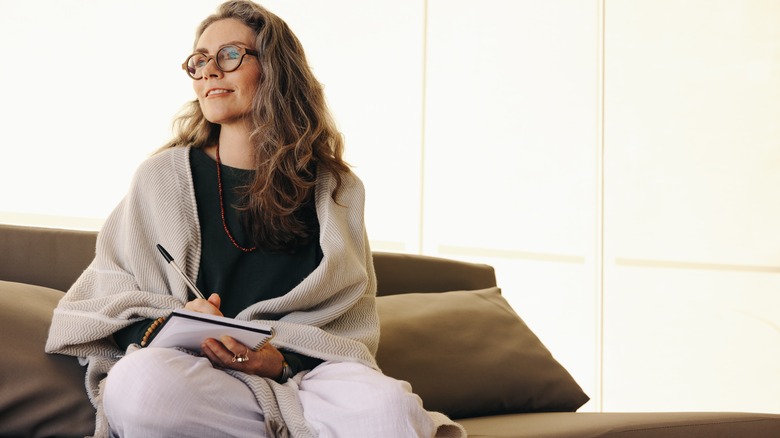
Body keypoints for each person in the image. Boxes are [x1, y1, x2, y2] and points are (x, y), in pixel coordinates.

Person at [44, 2, 466, 437]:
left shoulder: (336, 189)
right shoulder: (161, 178)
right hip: (198, 375)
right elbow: (107, 298)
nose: (208, 71)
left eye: (228, 55)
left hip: (306, 381)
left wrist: (280, 361)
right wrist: (172, 323)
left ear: (275, 68)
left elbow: (347, 329)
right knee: (138, 386)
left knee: (390, 406)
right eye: (199, 61)